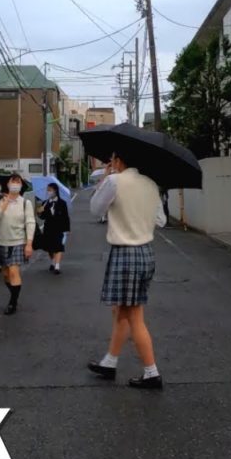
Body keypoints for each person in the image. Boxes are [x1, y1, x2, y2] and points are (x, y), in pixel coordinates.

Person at [87, 154, 167, 390]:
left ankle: (151, 373)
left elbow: (95, 209)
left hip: (125, 253)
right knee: (121, 309)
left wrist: (104, 180)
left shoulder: (115, 181)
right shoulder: (150, 184)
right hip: (146, 252)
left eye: (112, 159)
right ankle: (109, 362)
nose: (111, 163)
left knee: (134, 315)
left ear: (119, 161)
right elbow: (161, 220)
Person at [0, 174, 36, 315]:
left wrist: (29, 244)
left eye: (18, 182)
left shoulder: (25, 203)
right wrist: (5, 203)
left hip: (18, 242)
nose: (15, 184)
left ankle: (13, 303)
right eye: (13, 181)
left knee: (13, 271)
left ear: (21, 185)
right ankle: (14, 293)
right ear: (8, 184)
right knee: (5, 274)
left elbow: (30, 222)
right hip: (1, 241)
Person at [37, 182, 71, 274]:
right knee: (49, 248)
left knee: (58, 246)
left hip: (59, 228)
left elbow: (66, 217)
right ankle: (53, 261)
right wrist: (39, 212)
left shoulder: (62, 203)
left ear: (55, 190)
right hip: (48, 228)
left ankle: (57, 266)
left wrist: (67, 229)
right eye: (47, 190)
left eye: (50, 190)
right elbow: (43, 217)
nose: (48, 192)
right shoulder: (45, 203)